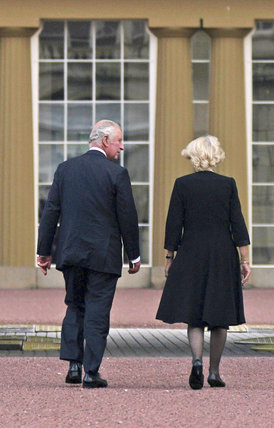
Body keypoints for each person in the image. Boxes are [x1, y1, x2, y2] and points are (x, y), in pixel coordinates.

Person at [36, 119, 141, 389]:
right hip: (103, 255)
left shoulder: (65, 170)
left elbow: (51, 212)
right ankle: (91, 372)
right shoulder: (116, 174)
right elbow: (127, 217)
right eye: (118, 141)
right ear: (105, 141)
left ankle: (74, 364)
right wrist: (134, 255)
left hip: (71, 252)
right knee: (97, 312)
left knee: (75, 306)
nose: (122, 146)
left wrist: (44, 251)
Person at [154, 135, 251, 390]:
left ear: (194, 156)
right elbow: (237, 223)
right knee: (220, 317)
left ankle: (196, 361)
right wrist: (245, 259)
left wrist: (169, 257)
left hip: (191, 252)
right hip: (222, 254)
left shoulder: (183, 185)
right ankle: (214, 372)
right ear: (216, 155)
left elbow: (174, 223)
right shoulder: (228, 185)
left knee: (194, 315)